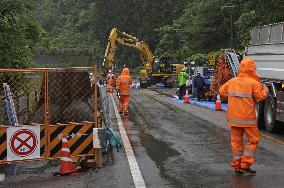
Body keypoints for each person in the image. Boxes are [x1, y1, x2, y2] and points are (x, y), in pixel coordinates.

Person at [219, 58, 268, 175]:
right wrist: (265, 89)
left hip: (233, 118)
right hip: (248, 119)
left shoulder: (232, 81)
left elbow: (221, 91)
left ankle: (237, 165)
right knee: (253, 140)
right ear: (252, 69)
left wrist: (230, 96)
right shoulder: (253, 83)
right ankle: (245, 163)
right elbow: (260, 96)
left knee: (236, 142)